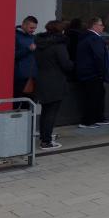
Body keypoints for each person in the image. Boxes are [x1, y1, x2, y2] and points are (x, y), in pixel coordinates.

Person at [34, 20, 74, 150]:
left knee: (45, 111)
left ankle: (44, 136)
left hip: (42, 80)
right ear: (60, 30)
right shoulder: (58, 45)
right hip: (55, 82)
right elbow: (66, 64)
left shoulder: (40, 44)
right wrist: (73, 64)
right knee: (51, 112)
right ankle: (46, 141)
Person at [75, 17, 109, 128]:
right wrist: (103, 73)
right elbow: (99, 57)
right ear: (94, 26)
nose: (103, 27)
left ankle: (98, 118)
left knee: (97, 96)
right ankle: (87, 121)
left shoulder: (85, 37)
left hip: (88, 73)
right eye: (101, 25)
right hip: (93, 74)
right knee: (93, 97)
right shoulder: (94, 39)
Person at [14, 15, 38, 109]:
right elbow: (12, 56)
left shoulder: (33, 37)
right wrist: (28, 49)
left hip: (32, 75)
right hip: (20, 76)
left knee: (29, 105)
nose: (33, 30)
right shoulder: (15, 36)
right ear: (24, 25)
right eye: (31, 28)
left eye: (35, 28)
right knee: (16, 103)